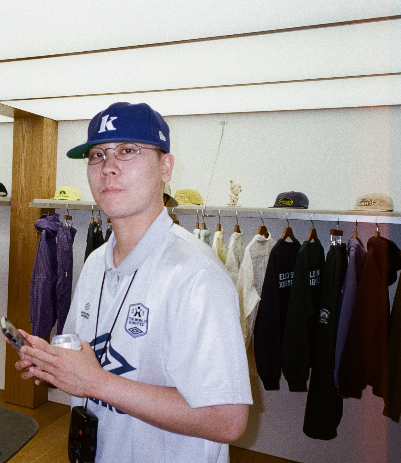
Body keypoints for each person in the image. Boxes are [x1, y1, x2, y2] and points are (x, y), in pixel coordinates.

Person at [14, 102, 252, 462]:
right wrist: (51, 364)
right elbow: (86, 356)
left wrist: (96, 383)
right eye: (97, 155)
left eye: (127, 151)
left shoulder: (197, 275)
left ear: (165, 167)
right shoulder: (95, 262)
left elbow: (227, 420)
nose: (108, 167)